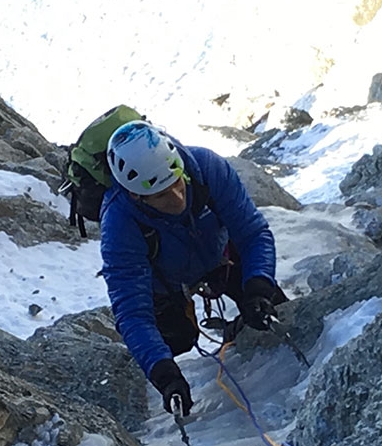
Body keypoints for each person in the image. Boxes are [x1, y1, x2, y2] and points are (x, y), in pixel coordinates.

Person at [99, 120, 287, 418]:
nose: (176, 198)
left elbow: (252, 234)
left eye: (176, 181)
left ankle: (239, 325)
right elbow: (133, 312)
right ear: (135, 195)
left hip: (221, 258)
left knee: (270, 307)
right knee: (176, 339)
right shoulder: (119, 223)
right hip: (166, 284)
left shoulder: (207, 168)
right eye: (161, 194)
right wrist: (165, 375)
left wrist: (258, 288)